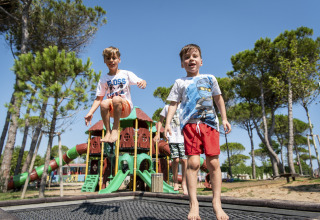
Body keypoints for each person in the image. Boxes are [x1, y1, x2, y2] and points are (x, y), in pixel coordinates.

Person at [164, 44, 231, 220]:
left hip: (209, 124)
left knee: (214, 163)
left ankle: (217, 202)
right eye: (186, 58)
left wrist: (224, 119)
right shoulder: (180, 82)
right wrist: (167, 124)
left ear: (201, 61)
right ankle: (194, 204)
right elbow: (172, 104)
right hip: (190, 126)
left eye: (194, 56)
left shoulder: (210, 78)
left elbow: (218, 99)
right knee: (193, 163)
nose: (191, 59)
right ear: (182, 64)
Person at [85, 46, 146, 143]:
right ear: (104, 60)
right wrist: (90, 112)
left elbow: (141, 80)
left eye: (114, 58)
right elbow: (98, 99)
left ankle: (115, 129)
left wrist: (143, 82)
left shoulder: (126, 74)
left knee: (116, 99)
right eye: (108, 58)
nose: (111, 60)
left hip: (125, 106)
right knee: (104, 103)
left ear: (119, 59)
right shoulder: (104, 79)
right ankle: (108, 132)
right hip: (113, 109)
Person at [153, 104, 188, 195]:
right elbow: (160, 121)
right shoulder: (167, 107)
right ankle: (176, 182)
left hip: (182, 137)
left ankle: (184, 183)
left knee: (184, 160)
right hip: (172, 136)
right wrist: (158, 134)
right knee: (175, 160)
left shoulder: (183, 106)